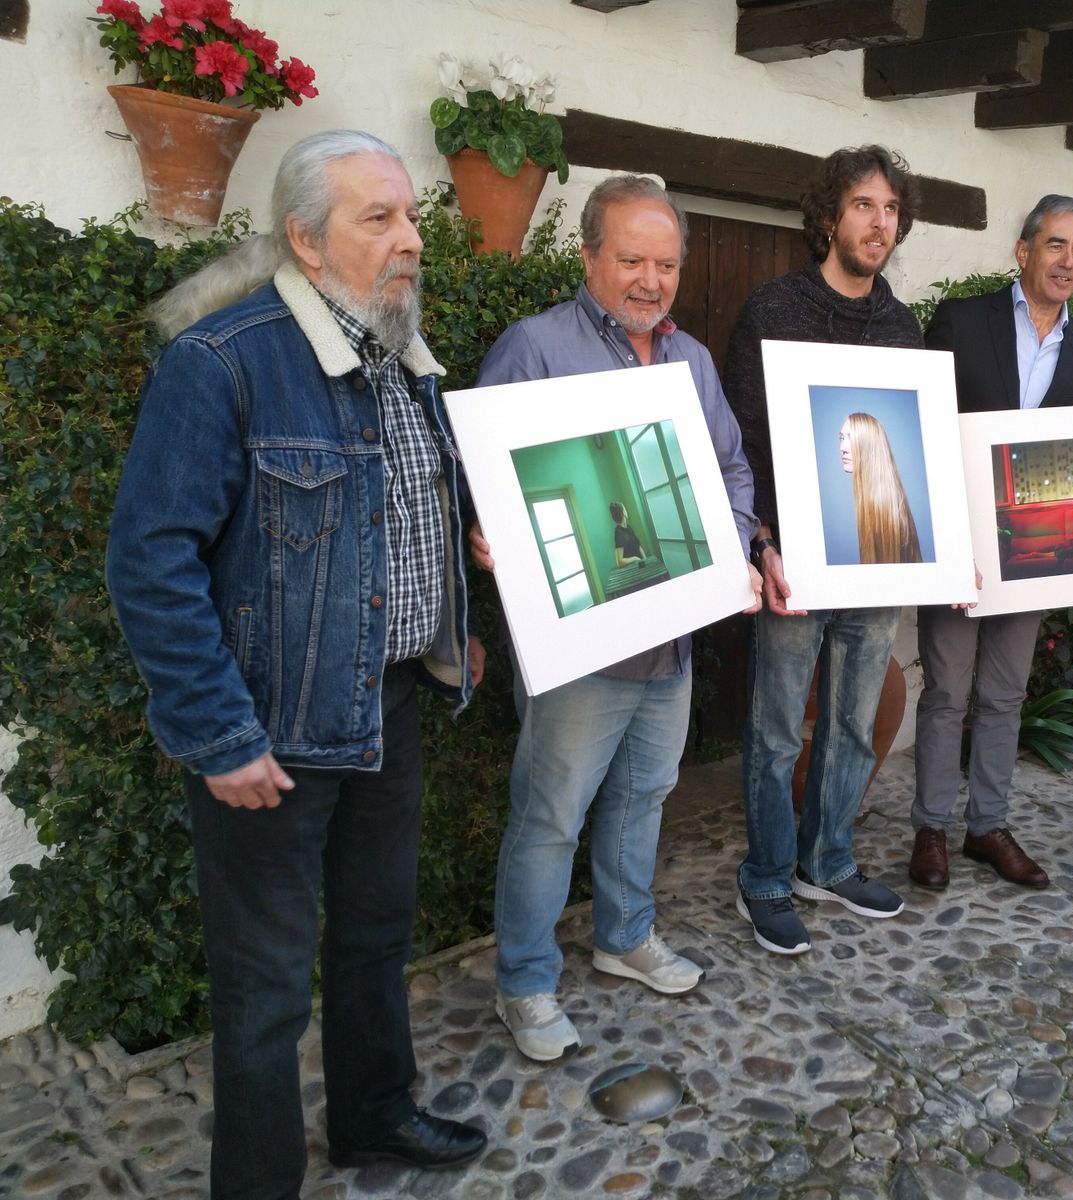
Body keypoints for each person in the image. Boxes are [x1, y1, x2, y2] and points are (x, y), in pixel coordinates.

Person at [104, 130, 489, 1198]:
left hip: (394, 705)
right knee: (266, 990)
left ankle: (372, 1121)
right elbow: (149, 560)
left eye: (412, 217)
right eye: (380, 219)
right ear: (305, 242)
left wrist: (457, 610)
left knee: (375, 936)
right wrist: (218, 735)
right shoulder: (219, 362)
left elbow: (399, 522)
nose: (411, 240)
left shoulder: (402, 358)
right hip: (271, 733)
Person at [469, 175, 760, 1061]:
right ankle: (523, 982)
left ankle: (624, 936)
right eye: (631, 259)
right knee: (551, 816)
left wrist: (732, 549)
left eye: (666, 263)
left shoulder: (692, 362)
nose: (651, 280)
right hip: (581, 647)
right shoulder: (535, 347)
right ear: (589, 255)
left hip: (669, 638)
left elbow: (733, 471)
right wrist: (493, 534)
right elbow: (485, 479)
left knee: (646, 794)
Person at [724, 145, 925, 955]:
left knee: (850, 723)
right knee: (776, 729)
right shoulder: (773, 309)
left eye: (890, 210)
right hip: (794, 561)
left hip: (875, 552)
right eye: (864, 206)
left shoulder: (904, 327)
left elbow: (909, 453)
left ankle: (827, 861)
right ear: (829, 216)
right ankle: (767, 876)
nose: (879, 224)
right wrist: (762, 540)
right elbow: (740, 436)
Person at [909, 195, 1073, 892]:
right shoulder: (963, 322)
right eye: (1055, 245)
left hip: (1036, 553)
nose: (1068, 261)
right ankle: (931, 828)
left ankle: (987, 827)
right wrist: (936, 538)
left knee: (1004, 694)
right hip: (960, 545)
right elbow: (924, 426)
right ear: (1023, 252)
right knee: (946, 691)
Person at [839, 411, 922, 564]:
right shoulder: (878, 502)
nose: (842, 447)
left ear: (869, 446)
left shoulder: (883, 511)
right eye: (842, 438)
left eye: (851, 438)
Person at [610, 499, 645, 566]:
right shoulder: (619, 533)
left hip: (641, 564)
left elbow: (639, 546)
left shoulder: (628, 527)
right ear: (622, 513)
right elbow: (620, 561)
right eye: (625, 509)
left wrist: (645, 560)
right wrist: (635, 559)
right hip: (633, 568)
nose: (626, 511)